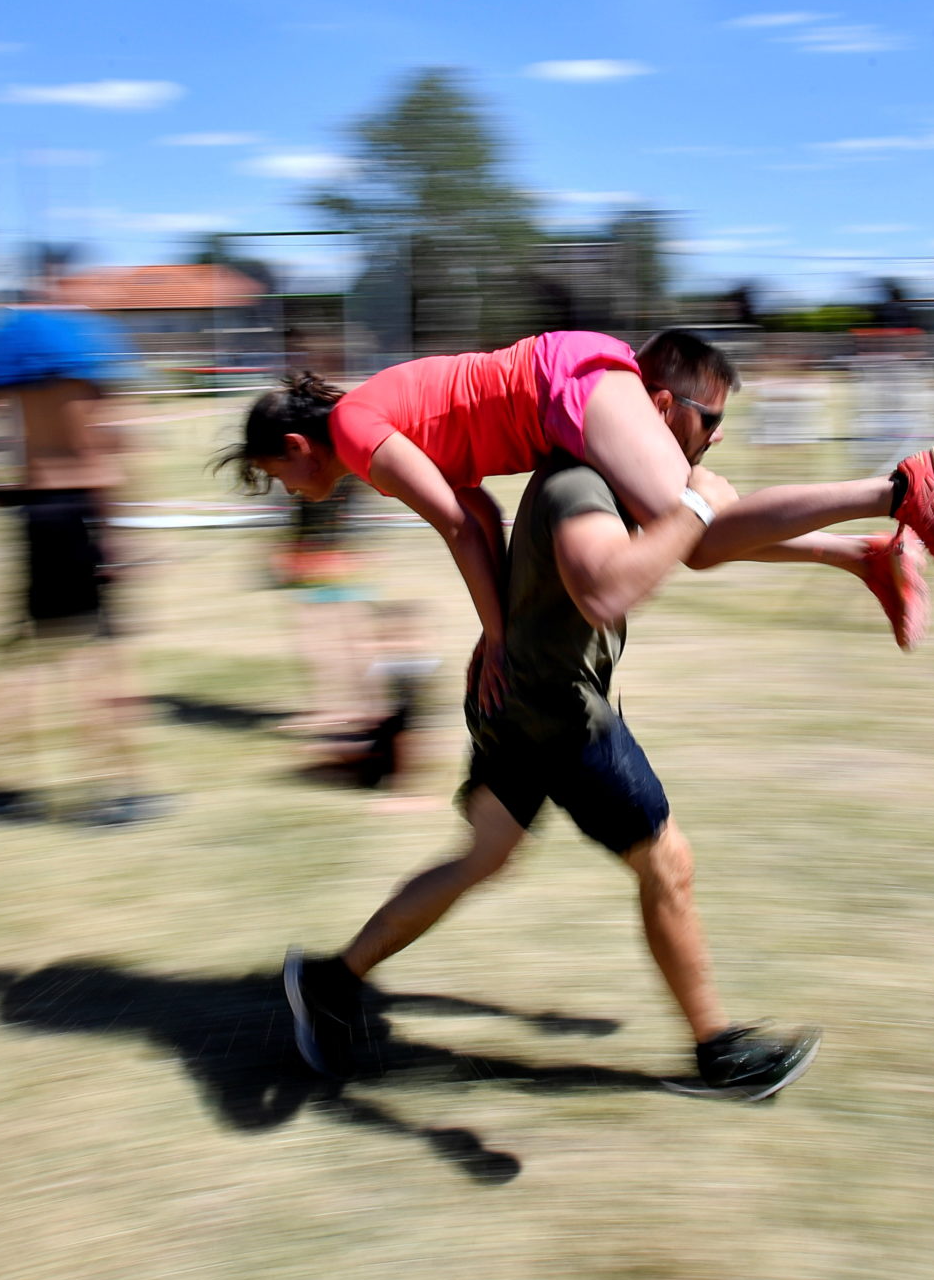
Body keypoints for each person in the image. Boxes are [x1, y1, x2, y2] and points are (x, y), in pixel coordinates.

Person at [281, 343, 821, 1100]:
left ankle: (330, 981)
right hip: (554, 707)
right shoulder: (578, 483)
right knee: (668, 862)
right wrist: (699, 506)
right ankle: (718, 1051)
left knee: (485, 854)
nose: (716, 438)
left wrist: (851, 554)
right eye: (711, 420)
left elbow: (479, 513)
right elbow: (531, 548)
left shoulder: (585, 467)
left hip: (515, 698)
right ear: (657, 408)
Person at [221, 330, 934, 684]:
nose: (288, 491)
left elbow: (455, 525)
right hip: (563, 383)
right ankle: (869, 554)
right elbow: (475, 511)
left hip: (560, 385)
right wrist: (498, 631)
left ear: (295, 444)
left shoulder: (354, 430)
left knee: (693, 533)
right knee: (691, 534)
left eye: (276, 475)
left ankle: (902, 489)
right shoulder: (370, 424)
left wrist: (502, 641)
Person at [0, 246, 163, 825]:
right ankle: (116, 789)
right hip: (78, 510)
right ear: (67, 279)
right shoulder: (81, 343)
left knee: (25, 651)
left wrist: (10, 482)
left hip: (35, 508)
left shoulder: (12, 339)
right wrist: (121, 534)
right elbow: (101, 448)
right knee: (100, 654)